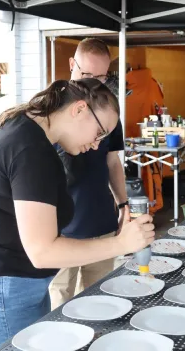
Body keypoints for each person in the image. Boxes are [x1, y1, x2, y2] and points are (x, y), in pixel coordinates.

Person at [0, 78, 155, 351]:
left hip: (6, 285)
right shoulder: (30, 149)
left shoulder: (24, 129)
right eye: (100, 132)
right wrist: (121, 244)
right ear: (79, 109)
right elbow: (42, 252)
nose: (96, 144)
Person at [49, 38, 130, 309]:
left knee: (100, 303)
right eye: (86, 75)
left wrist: (123, 204)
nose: (93, 84)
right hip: (58, 231)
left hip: (100, 222)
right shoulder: (51, 109)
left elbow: (113, 162)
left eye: (101, 77)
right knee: (58, 305)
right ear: (72, 64)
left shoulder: (107, 109)